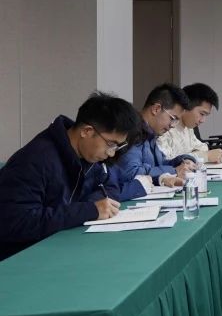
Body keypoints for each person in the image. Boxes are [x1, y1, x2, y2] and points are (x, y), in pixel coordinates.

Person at [0, 92, 136, 260]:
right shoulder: (35, 160)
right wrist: (88, 210)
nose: (111, 153)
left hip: (63, 247)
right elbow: (16, 222)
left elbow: (109, 187)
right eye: (110, 144)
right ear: (86, 131)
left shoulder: (89, 156)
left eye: (117, 147)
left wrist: (93, 206)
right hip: (22, 258)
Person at [109, 83, 198, 200]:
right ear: (156, 109)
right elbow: (131, 173)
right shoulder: (132, 131)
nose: (172, 125)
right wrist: (174, 170)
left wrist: (183, 161)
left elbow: (159, 164)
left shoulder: (151, 133)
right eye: (173, 119)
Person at [158, 82, 222, 164]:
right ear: (187, 106)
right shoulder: (165, 127)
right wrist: (204, 156)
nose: (202, 120)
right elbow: (168, 160)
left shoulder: (188, 128)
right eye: (202, 114)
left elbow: (203, 148)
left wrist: (195, 155)